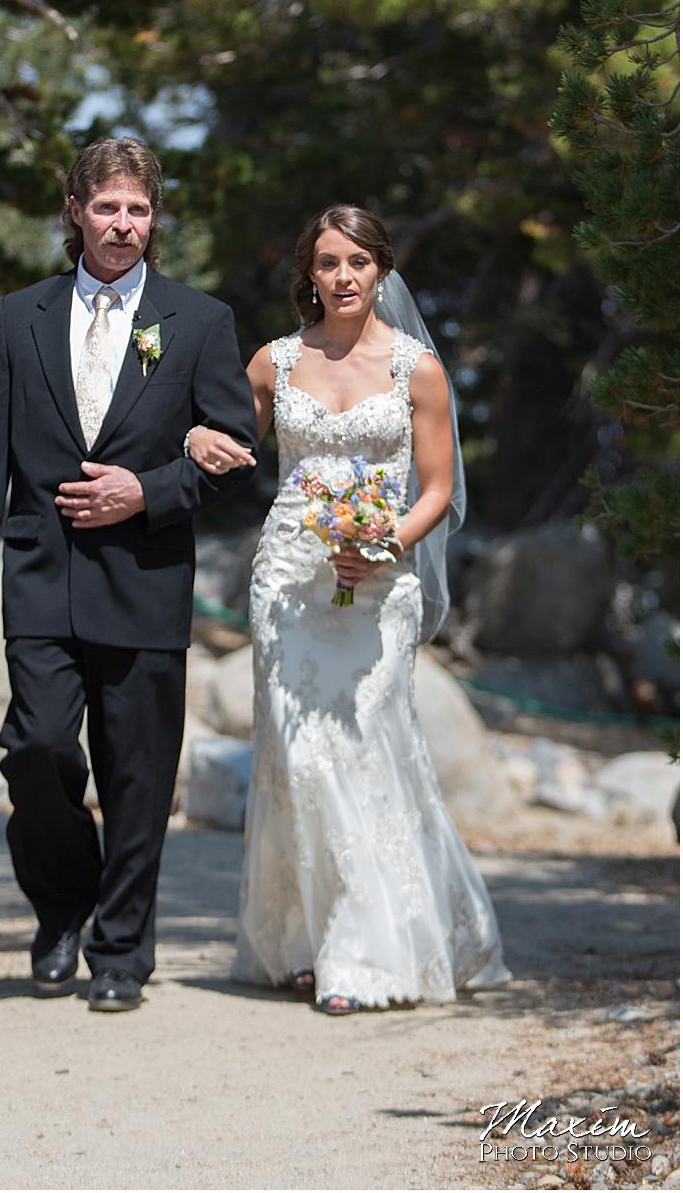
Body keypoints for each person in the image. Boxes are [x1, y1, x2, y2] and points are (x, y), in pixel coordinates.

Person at [0, 137, 258, 1013]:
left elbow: (237, 457)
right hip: (41, 576)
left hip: (146, 579)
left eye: (139, 209)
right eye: (108, 207)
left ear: (154, 219)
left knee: (137, 777)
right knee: (39, 750)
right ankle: (60, 911)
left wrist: (148, 491)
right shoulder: (20, 317)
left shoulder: (199, 322)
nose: (124, 225)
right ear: (75, 212)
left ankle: (121, 953)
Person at [184, 205, 509, 1015]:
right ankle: (300, 941)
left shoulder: (417, 370)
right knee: (298, 758)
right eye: (328, 262)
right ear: (310, 274)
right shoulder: (274, 360)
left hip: (378, 583)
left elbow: (436, 489)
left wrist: (388, 542)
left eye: (358, 262)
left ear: (381, 271)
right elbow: (227, 441)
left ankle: (368, 952)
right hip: (289, 576)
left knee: (363, 743)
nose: (344, 276)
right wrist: (195, 439)